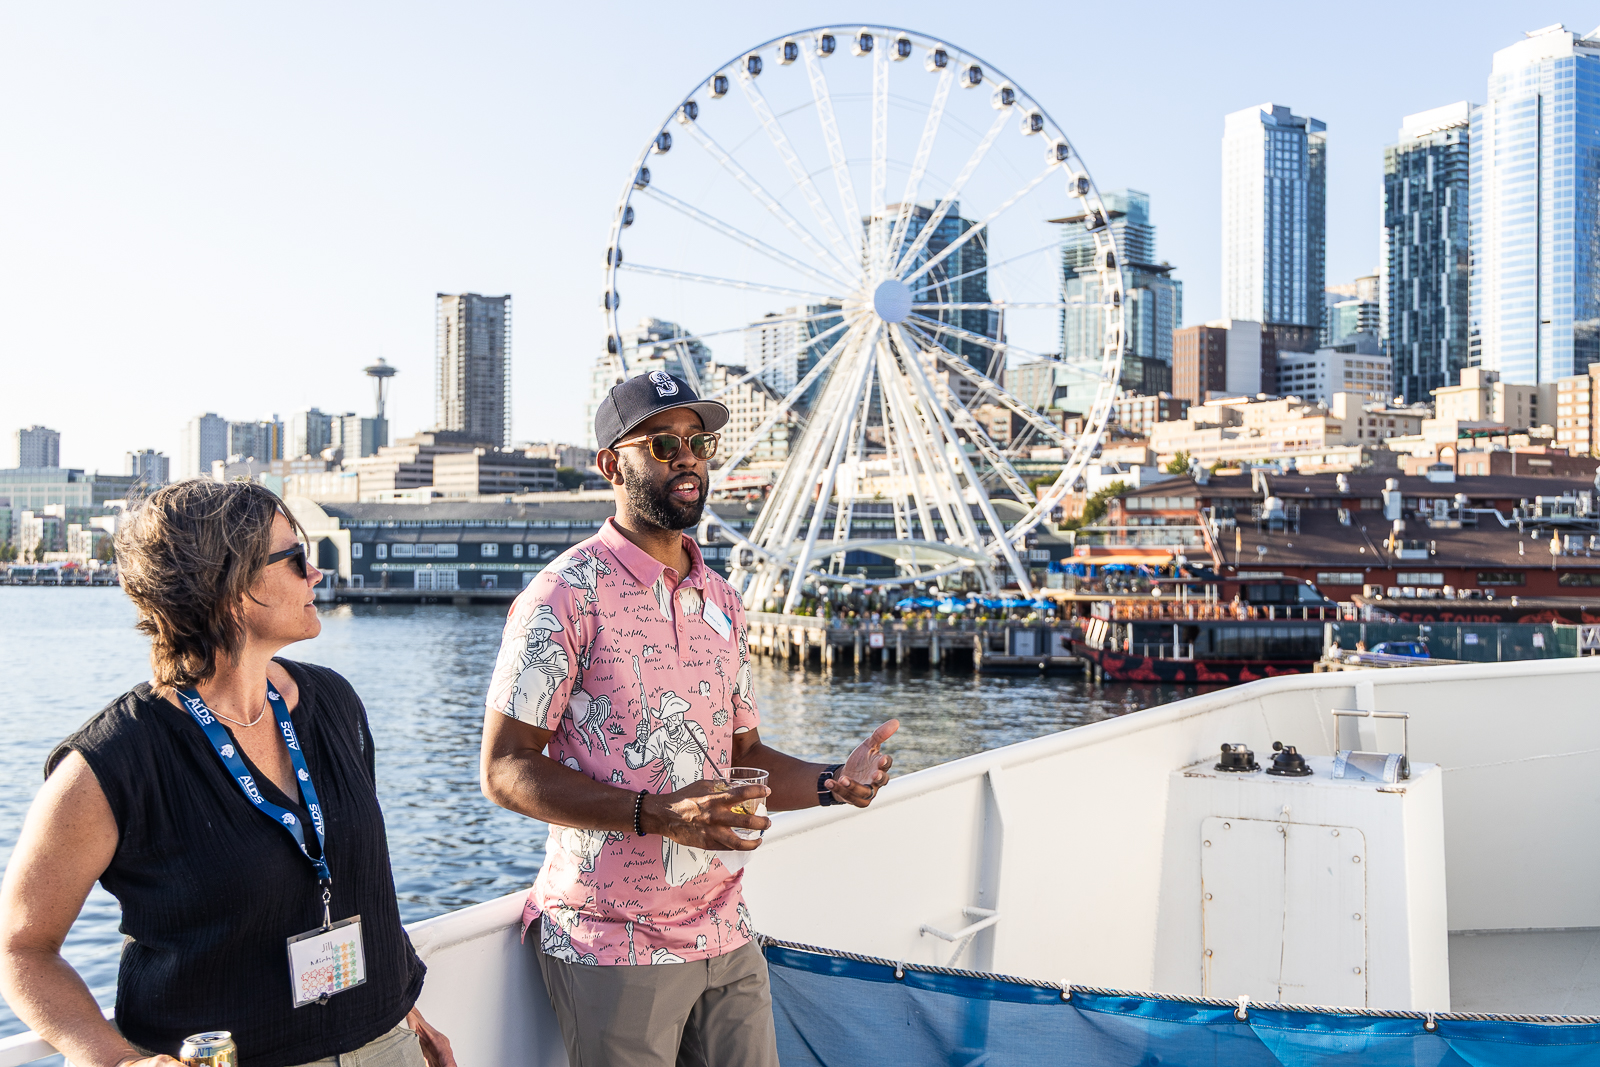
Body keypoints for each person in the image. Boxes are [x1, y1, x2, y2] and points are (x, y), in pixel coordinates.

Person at [480, 371, 897, 1067]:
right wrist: (655, 812)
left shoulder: (723, 601)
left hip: (727, 932)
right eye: (665, 443)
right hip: (611, 941)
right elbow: (504, 767)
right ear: (612, 464)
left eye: (700, 442)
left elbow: (744, 758)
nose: (689, 459)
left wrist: (833, 781)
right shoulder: (563, 594)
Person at [0, 481, 454, 1067]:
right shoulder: (113, 763)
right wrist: (114, 1061)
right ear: (233, 590)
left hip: (384, 1045)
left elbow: (358, 881)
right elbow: (22, 948)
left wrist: (401, 1010)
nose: (315, 573)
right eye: (295, 559)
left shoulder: (335, 703)